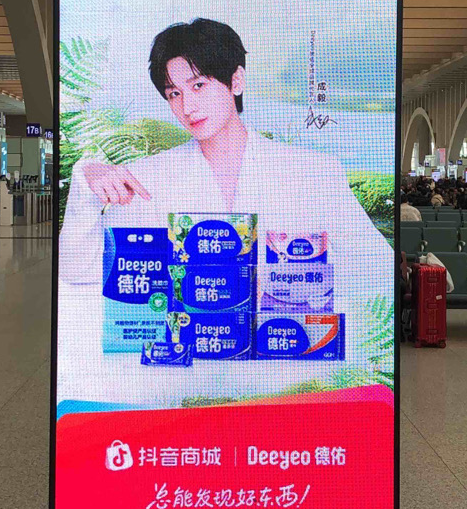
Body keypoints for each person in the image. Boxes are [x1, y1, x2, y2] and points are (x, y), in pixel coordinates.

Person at [59, 18, 389, 351]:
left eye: (198, 85)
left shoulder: (312, 172)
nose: (187, 107)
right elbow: (80, 270)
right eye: (174, 93)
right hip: (184, 363)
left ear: (236, 80)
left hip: (288, 359)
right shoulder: (146, 178)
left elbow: (376, 268)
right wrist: (87, 182)